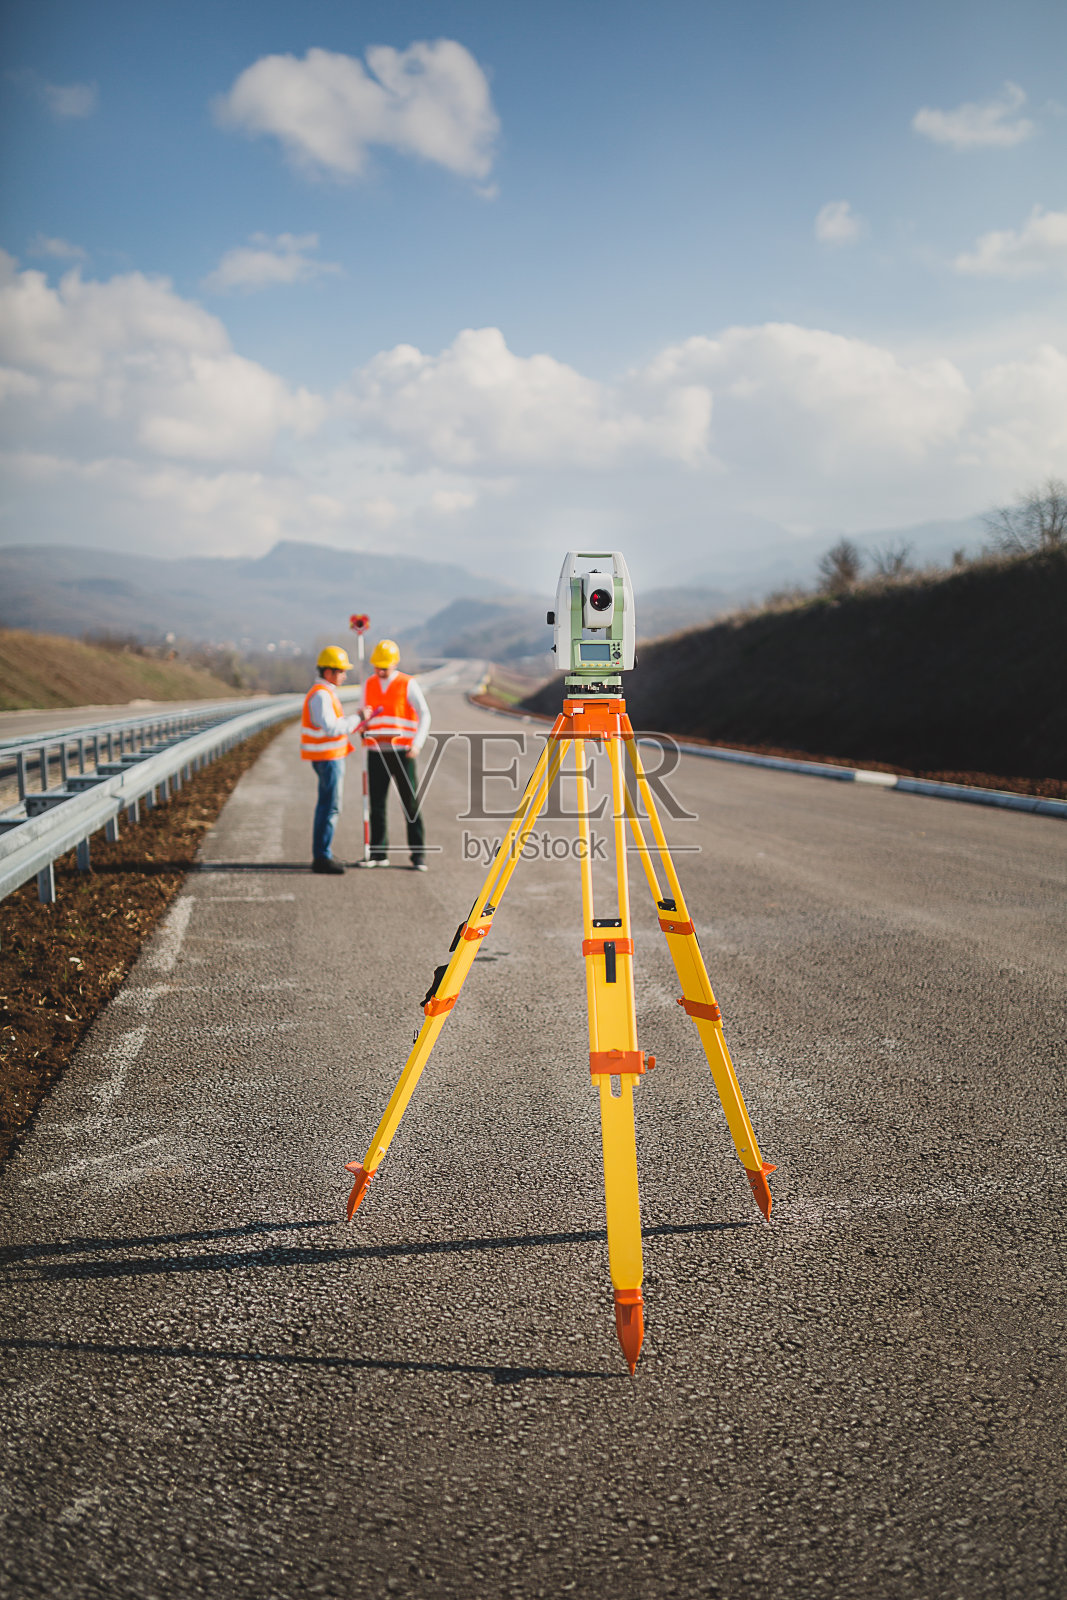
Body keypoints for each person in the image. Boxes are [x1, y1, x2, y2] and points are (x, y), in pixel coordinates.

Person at [362, 639, 431, 870]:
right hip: (376, 752)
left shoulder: (407, 683)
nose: (380, 671)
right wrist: (363, 726)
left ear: (395, 663)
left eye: (384, 667)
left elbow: (425, 714)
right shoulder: (368, 684)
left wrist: (417, 744)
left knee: (410, 804)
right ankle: (378, 853)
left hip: (403, 753)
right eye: (377, 667)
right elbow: (365, 714)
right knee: (377, 805)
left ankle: (418, 855)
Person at [300, 646, 364, 875]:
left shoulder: (325, 693)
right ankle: (322, 857)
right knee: (329, 807)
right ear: (328, 672)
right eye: (341, 671)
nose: (344, 675)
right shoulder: (321, 695)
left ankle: (323, 853)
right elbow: (331, 728)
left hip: (329, 757)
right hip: (327, 758)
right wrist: (357, 719)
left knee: (329, 805)